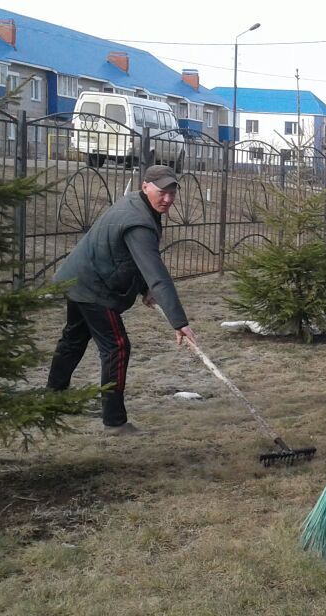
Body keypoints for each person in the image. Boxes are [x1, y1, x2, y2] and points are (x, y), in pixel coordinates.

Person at [46, 165, 196, 435]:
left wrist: (142, 288)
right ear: (145, 187)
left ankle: (53, 399)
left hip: (78, 278)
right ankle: (114, 422)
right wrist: (179, 322)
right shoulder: (138, 221)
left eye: (173, 193)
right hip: (93, 287)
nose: (168, 199)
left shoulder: (137, 206)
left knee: (74, 338)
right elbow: (156, 272)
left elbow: (127, 257)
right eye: (163, 192)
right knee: (117, 347)